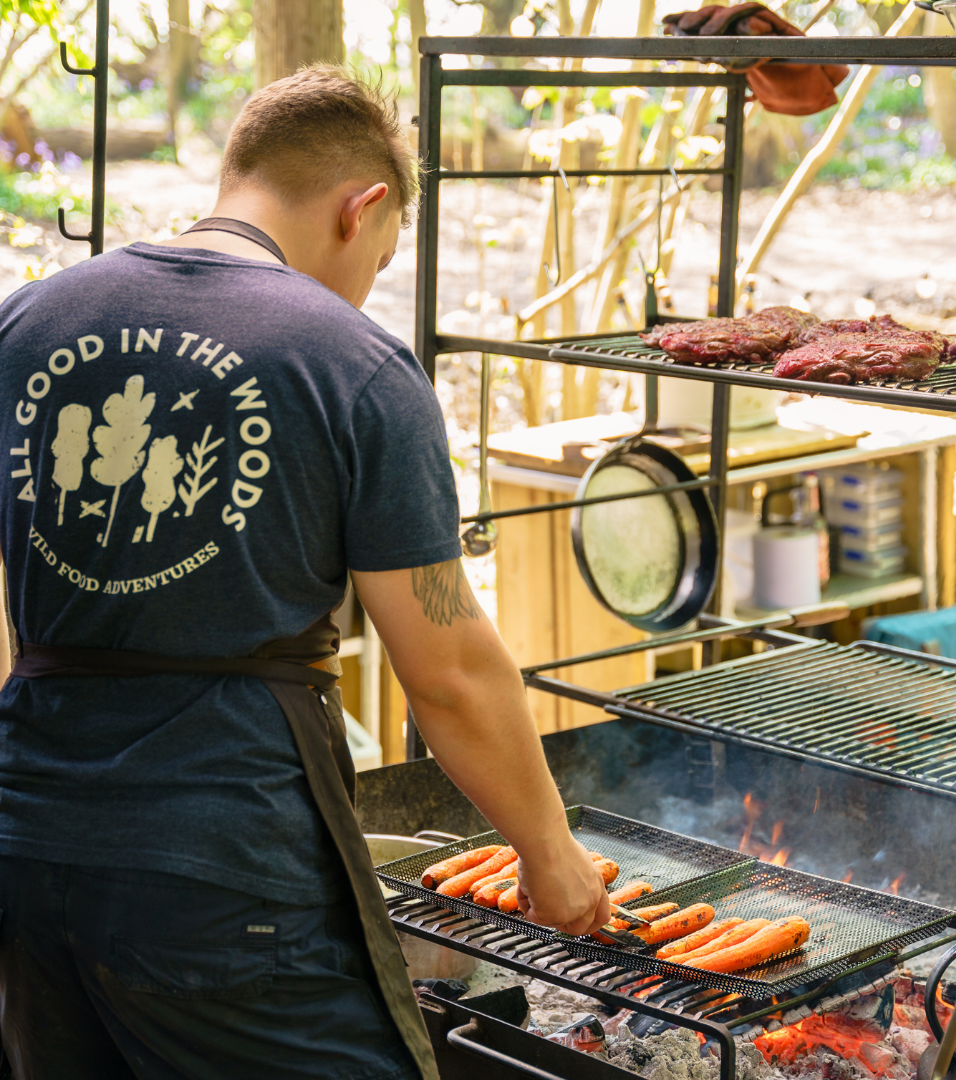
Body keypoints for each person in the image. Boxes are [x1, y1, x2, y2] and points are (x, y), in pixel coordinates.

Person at [0, 66, 609, 1080]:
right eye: (383, 254)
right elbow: (450, 671)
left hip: (26, 849)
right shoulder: (350, 362)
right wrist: (551, 855)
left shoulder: (24, 327)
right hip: (226, 877)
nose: (371, 282)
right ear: (360, 207)